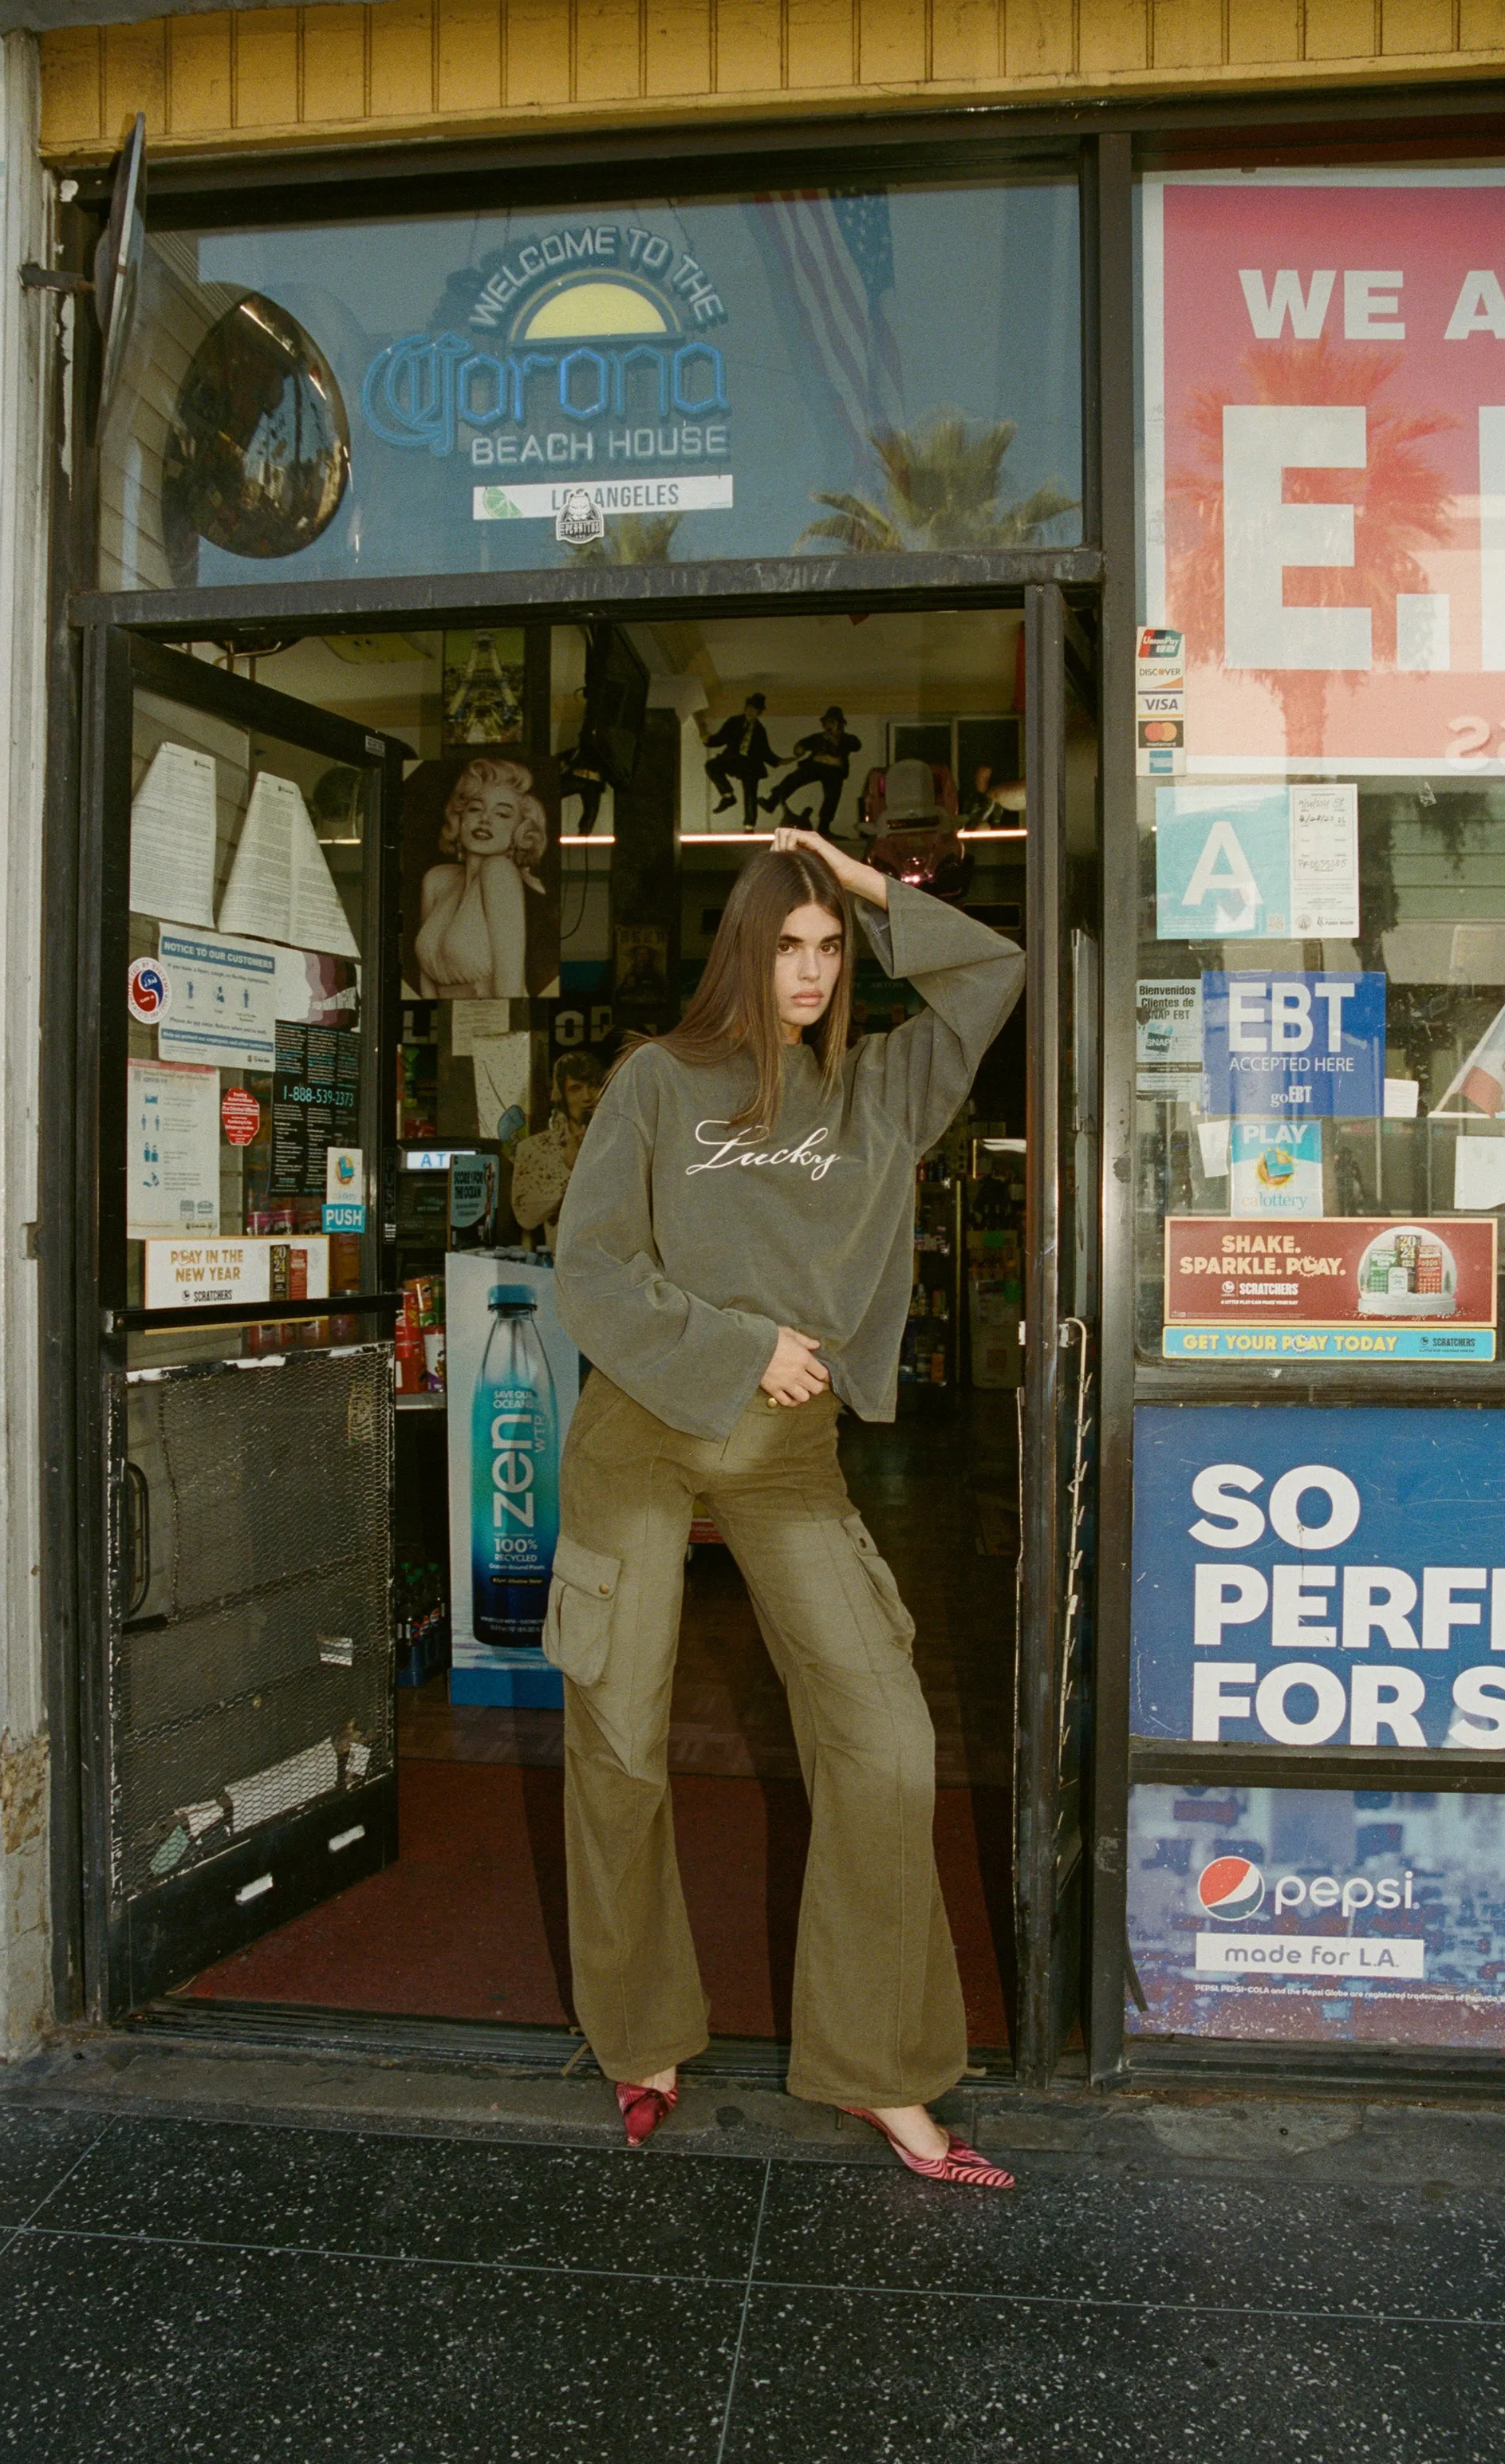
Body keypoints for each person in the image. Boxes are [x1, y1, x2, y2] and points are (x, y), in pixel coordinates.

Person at [550, 827, 1026, 2186]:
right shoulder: (658, 1080)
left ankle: (880, 2068)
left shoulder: (879, 1090)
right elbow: (592, 1267)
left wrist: (867, 883)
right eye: (787, 943)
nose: (809, 970)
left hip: (788, 1456)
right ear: (741, 950)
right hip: (639, 1435)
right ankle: (638, 2036)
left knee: (885, 1737)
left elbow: (990, 972)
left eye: (828, 946)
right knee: (621, 1735)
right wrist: (741, 1342)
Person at [416, 755, 548, 999]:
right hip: (448, 1023)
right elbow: (425, 979)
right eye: (476, 808)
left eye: (503, 814)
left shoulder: (500, 872)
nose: (485, 819)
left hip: (491, 1023)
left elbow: (511, 986)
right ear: (460, 818)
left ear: (522, 830)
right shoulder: (437, 879)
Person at [510, 1051, 606, 1248]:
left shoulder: (623, 1142)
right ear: (561, 1095)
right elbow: (526, 1217)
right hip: (560, 1264)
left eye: (594, 1086)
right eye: (576, 1089)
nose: (587, 1097)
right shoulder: (535, 1149)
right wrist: (569, 1170)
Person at [762, 704, 863, 837]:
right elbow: (801, 746)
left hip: (834, 771)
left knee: (832, 796)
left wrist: (836, 739)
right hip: (814, 766)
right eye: (828, 722)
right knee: (794, 778)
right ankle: (773, 801)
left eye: (833, 722)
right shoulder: (818, 737)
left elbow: (856, 745)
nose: (829, 725)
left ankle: (824, 827)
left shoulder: (847, 739)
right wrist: (799, 749)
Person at [699, 692, 783, 830]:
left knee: (750, 794)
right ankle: (728, 796)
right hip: (733, 759)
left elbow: (765, 751)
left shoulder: (760, 730)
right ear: (745, 708)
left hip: (751, 765)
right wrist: (708, 740)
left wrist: (778, 761)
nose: (750, 712)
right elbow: (721, 738)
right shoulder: (734, 722)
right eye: (749, 708)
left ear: (759, 713)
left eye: (754, 710)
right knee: (712, 765)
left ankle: (749, 826)